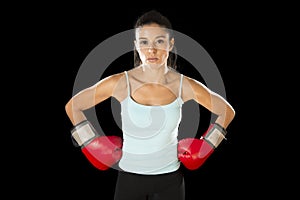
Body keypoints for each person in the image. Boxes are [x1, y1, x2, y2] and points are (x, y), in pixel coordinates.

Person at [65, 10, 235, 200]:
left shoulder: (183, 85)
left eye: (159, 41)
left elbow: (227, 111)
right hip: (129, 179)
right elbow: (74, 106)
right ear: (136, 45)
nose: (151, 50)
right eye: (144, 42)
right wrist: (90, 142)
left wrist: (207, 146)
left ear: (170, 44)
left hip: (170, 180)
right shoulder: (121, 83)